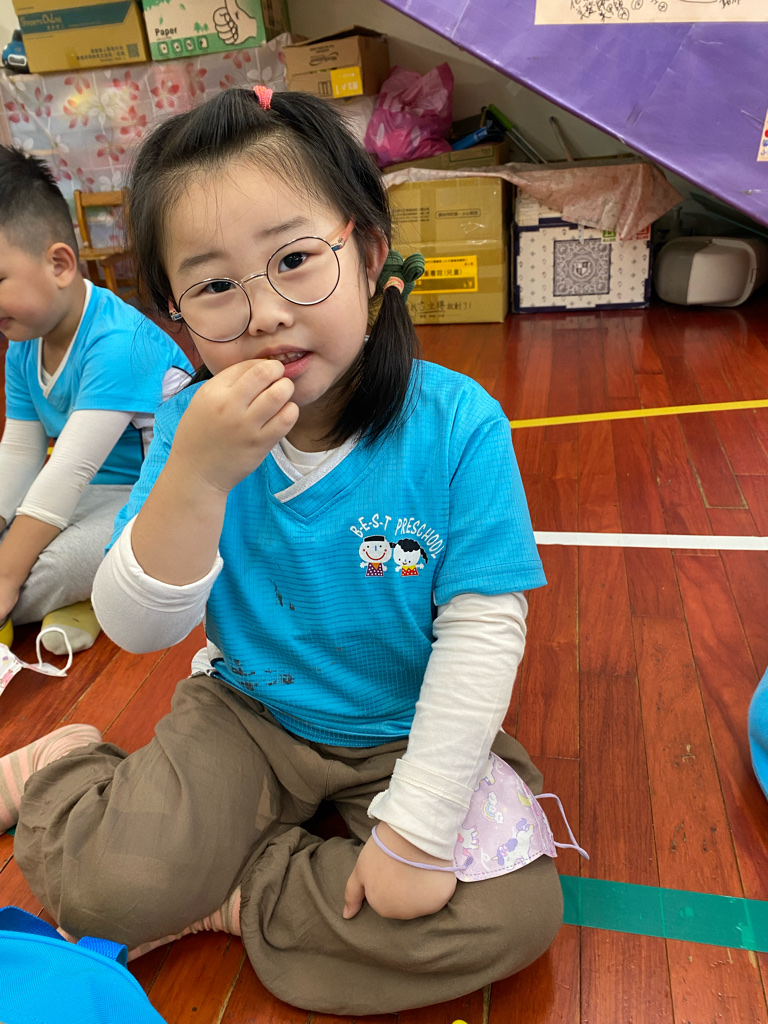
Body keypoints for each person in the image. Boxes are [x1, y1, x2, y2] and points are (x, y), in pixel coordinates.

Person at [4, 88, 568, 1015]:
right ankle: (64, 766)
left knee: (514, 914)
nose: (264, 312)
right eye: (215, 286)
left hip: (401, 730)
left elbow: (482, 635)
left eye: (296, 260)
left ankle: (233, 891)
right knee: (103, 891)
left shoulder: (458, 423)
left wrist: (415, 832)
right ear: (177, 314)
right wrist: (196, 477)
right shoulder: (189, 424)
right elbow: (137, 628)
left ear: (370, 255)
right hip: (250, 713)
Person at [0, 146, 193, 654]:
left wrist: (5, 574)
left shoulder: (119, 342)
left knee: (50, 566)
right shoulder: (22, 342)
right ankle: (85, 600)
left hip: (151, 496)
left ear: (59, 264)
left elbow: (69, 470)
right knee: (18, 531)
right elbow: (19, 453)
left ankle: (78, 594)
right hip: (86, 493)